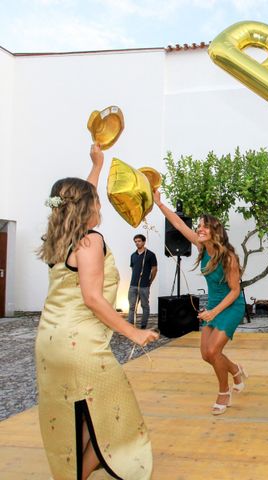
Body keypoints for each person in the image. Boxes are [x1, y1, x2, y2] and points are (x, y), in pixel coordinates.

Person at [35, 143, 159, 480]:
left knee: (79, 415)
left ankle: (72, 470)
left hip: (50, 342)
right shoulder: (90, 241)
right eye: (97, 201)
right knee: (116, 417)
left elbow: (77, 198)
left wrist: (97, 164)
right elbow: (93, 298)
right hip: (80, 346)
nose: (101, 205)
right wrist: (134, 332)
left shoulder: (59, 239)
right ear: (87, 209)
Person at [153, 190, 248, 415]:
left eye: (204, 226)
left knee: (214, 350)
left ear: (215, 231)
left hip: (230, 306)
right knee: (206, 354)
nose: (199, 230)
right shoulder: (200, 246)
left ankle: (224, 392)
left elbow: (235, 292)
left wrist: (213, 312)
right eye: (198, 226)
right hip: (213, 306)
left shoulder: (229, 257)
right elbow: (177, 224)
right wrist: (159, 203)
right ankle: (235, 369)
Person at [128, 234, 157, 329]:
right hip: (133, 286)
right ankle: (130, 325)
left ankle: (143, 325)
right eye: (135, 241)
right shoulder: (133, 255)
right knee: (132, 306)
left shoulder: (150, 254)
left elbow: (154, 269)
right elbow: (133, 268)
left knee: (145, 306)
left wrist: (150, 281)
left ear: (144, 242)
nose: (137, 243)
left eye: (139, 241)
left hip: (144, 286)